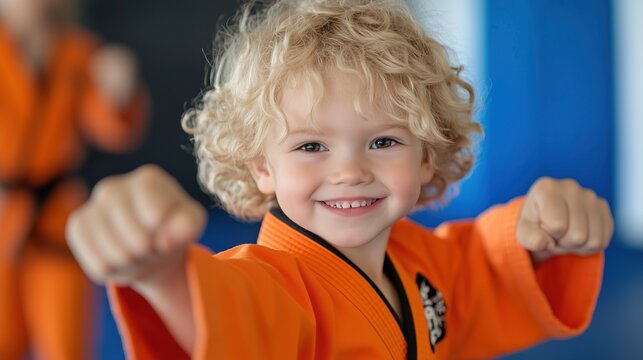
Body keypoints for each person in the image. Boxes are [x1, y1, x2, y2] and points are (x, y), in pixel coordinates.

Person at [66, 0, 613, 359]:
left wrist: (546, 231)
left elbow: (489, 268)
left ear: (427, 154)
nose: (349, 171)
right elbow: (232, 314)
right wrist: (160, 273)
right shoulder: (276, 286)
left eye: (383, 141)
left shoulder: (425, 265)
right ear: (262, 165)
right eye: (310, 146)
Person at [0, 0, 149, 358]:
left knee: (64, 341)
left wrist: (119, 91)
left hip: (57, 215)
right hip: (4, 208)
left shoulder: (79, 53)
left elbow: (111, 127)